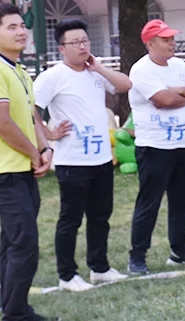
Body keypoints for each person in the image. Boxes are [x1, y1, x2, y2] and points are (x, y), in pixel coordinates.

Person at [33, 19, 132, 291]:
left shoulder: (95, 71)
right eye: (75, 42)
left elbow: (125, 84)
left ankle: (99, 268)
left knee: (100, 216)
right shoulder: (52, 76)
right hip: (73, 161)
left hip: (101, 159)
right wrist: (48, 134)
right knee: (71, 219)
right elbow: (32, 109)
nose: (81, 46)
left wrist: (99, 68)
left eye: (85, 41)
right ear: (61, 48)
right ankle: (67, 275)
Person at [127, 19, 185, 275]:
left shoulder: (179, 65)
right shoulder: (141, 70)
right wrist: (183, 94)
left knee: (182, 201)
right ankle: (137, 256)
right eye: (165, 39)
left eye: (172, 38)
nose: (172, 43)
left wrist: (177, 91)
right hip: (154, 147)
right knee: (149, 203)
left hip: (183, 145)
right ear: (150, 43)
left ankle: (179, 249)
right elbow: (164, 99)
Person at [0, 2, 54, 321]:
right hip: (6, 172)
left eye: (22, 25)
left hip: (23, 171)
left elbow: (33, 116)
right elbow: (3, 123)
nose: (21, 32)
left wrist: (45, 148)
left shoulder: (19, 70)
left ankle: (10, 305)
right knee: (24, 245)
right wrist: (34, 154)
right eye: (12, 27)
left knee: (12, 242)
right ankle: (16, 314)